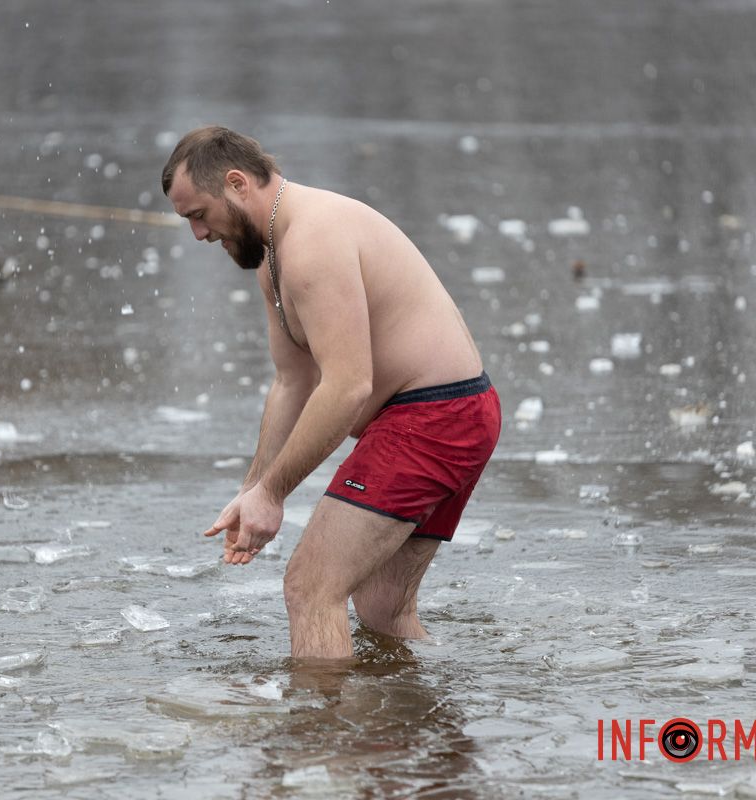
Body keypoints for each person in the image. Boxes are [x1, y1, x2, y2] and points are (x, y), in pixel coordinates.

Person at [161, 126, 501, 660]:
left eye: (198, 214)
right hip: (455, 412)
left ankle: (321, 737)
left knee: (310, 589)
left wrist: (275, 494)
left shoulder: (313, 240)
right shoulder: (276, 262)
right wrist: (254, 489)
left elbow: (346, 386)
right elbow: (293, 381)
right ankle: (412, 730)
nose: (198, 234)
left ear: (236, 183)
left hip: (432, 417)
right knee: (382, 608)